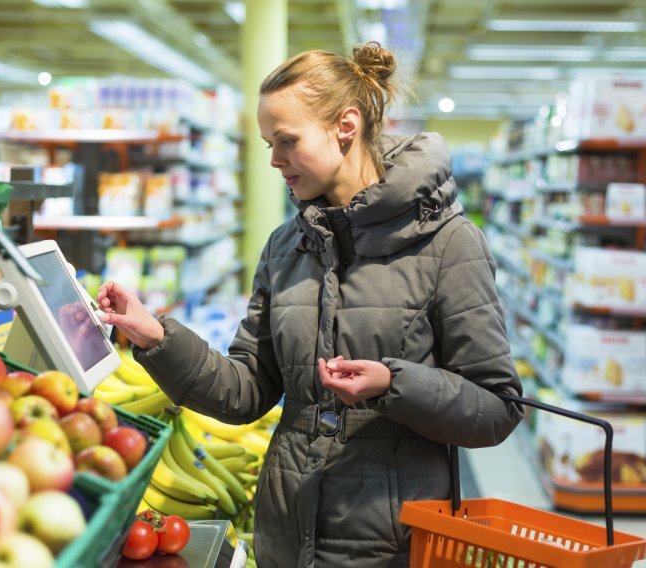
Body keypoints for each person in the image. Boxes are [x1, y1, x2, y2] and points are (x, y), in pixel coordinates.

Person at [97, 41, 523, 567]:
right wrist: (157, 337)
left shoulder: (448, 244)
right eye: (268, 143)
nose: (274, 160)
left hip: (390, 544)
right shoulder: (286, 246)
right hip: (285, 533)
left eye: (286, 141)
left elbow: (499, 407)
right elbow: (246, 390)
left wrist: (395, 384)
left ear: (345, 125)